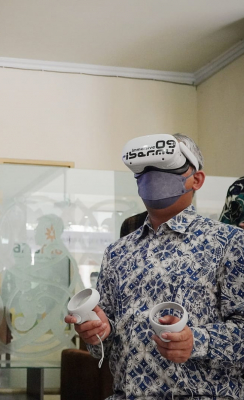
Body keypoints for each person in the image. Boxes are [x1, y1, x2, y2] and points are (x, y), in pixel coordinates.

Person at [65, 133, 244, 399]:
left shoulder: (230, 243)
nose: (153, 176)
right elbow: (106, 344)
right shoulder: (117, 253)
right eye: (145, 170)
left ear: (196, 179)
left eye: (166, 168)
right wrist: (98, 332)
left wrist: (197, 341)